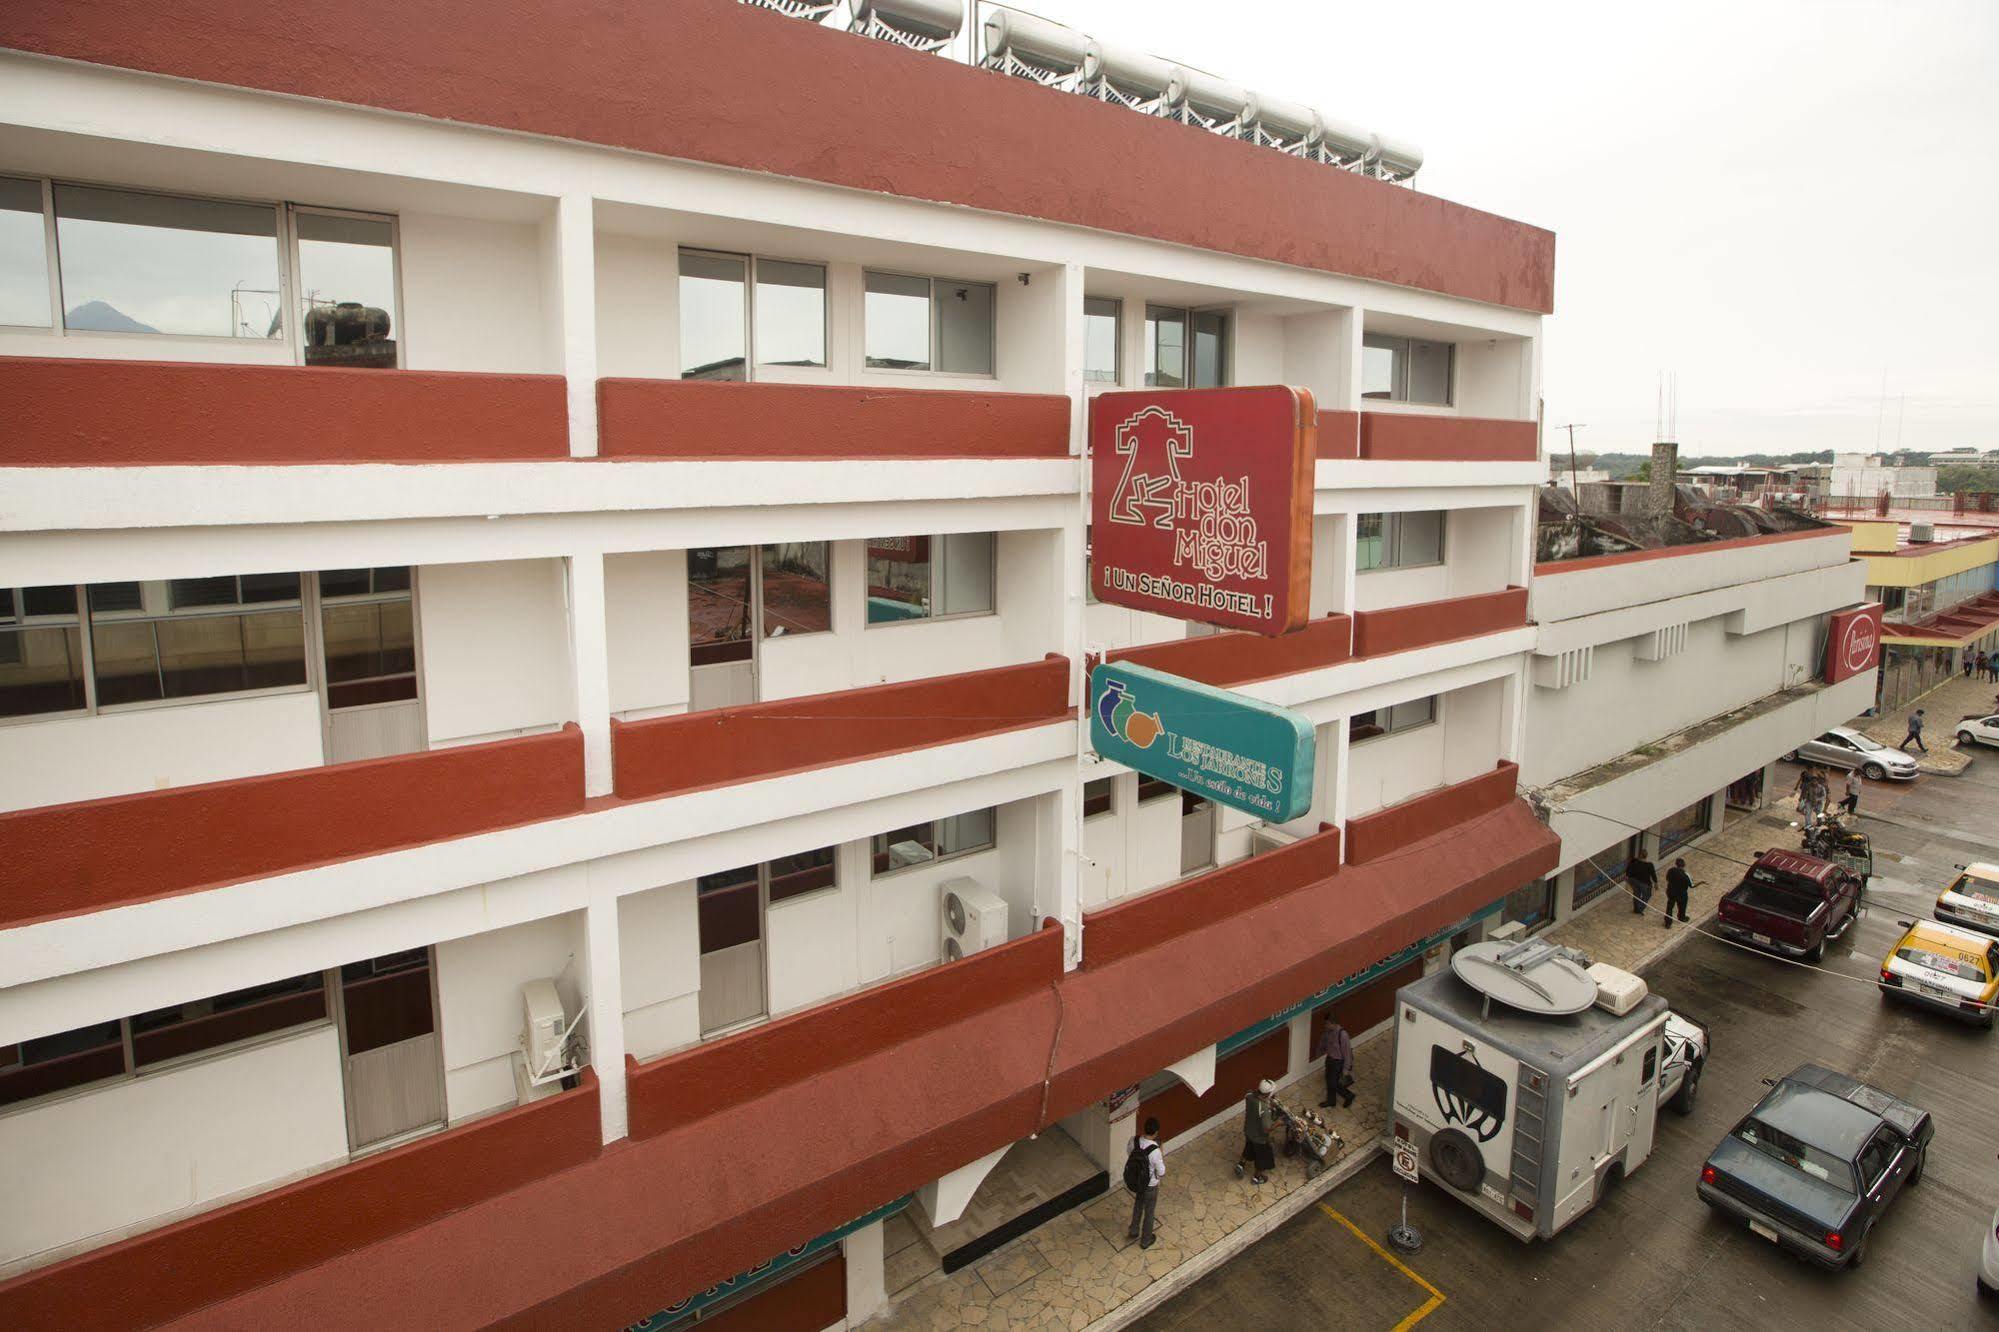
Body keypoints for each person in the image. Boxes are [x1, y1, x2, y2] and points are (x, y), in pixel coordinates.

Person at [1124, 1116, 1165, 1249]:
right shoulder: (1155, 1151)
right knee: (1149, 1212)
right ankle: (1146, 1240)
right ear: (1156, 1132)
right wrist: (1161, 1153)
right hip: (1150, 1186)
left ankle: (1133, 1231)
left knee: (1138, 1205)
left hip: (1137, 1181)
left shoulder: (1134, 1140)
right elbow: (1162, 1171)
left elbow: (1129, 1153)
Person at [1234, 1080, 1276, 1185]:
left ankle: (1241, 1164)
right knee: (1263, 1157)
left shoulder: (1249, 1096)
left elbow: (1251, 1094)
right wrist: (1279, 1123)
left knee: (1249, 1146)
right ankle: (1257, 1177)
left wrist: (1267, 1102)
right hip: (1260, 1138)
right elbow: (1266, 1129)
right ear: (1267, 1094)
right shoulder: (1264, 1110)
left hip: (1248, 1130)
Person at [1319, 1019, 1355, 1110]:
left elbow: (1347, 1053)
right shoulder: (1328, 1032)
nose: (1325, 1026)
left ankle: (1349, 1096)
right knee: (1329, 1081)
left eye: (1326, 1024)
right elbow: (1325, 1043)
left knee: (1335, 1084)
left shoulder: (1342, 1035)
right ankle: (1331, 1101)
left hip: (1338, 1062)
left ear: (1332, 1023)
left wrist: (1346, 1069)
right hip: (1330, 1059)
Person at [1663, 857, 1694, 927]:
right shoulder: (1685, 875)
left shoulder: (1671, 870)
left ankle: (1668, 922)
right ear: (1684, 865)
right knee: (1682, 906)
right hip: (1681, 894)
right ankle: (1681, 917)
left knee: (1670, 907)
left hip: (1671, 892)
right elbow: (1691, 885)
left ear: (1676, 864)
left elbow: (1667, 878)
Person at [1626, 849, 1657, 915]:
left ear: (1639, 855)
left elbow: (1628, 870)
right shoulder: (1649, 865)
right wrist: (1656, 883)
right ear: (1646, 856)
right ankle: (1640, 909)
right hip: (1644, 884)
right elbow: (1653, 874)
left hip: (1633, 881)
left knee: (1636, 894)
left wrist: (1627, 878)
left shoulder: (1633, 861)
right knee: (1647, 895)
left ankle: (1636, 909)